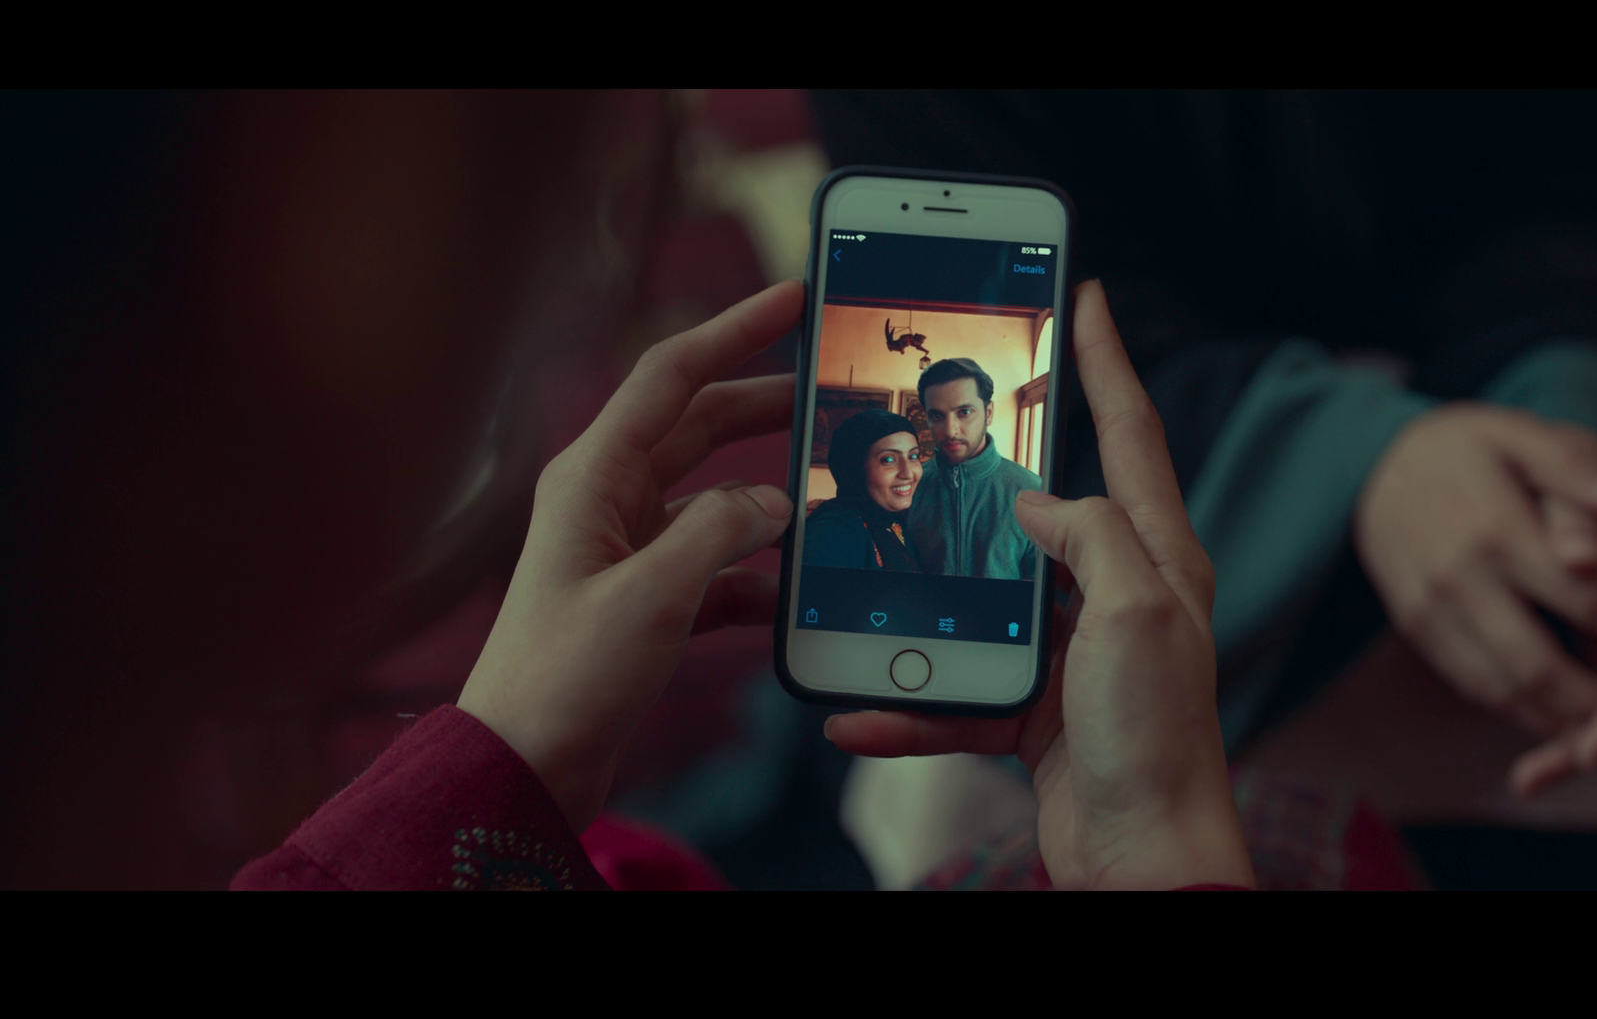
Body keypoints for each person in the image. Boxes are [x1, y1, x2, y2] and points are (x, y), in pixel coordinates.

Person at [808, 90, 1597, 876]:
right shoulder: (940, 477)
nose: (946, 436)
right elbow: (997, 270)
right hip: (1190, 479)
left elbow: (1593, 194)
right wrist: (1356, 460)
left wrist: (1567, 432)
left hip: (1518, 423)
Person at [233, 280, 1279, 891]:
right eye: (932, 423)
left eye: (969, 415)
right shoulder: (877, 508)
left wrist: (503, 759)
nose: (948, 436)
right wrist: (1160, 842)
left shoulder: (1006, 491)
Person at [908, 357, 1041, 580]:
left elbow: (1043, 592)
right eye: (937, 416)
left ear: (989, 413)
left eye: (964, 412)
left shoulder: (1032, 492)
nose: (950, 430)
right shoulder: (911, 488)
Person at [802, 409, 923, 571]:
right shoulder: (834, 532)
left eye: (913, 456)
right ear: (855, 468)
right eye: (888, 459)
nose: (908, 473)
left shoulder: (893, 522)